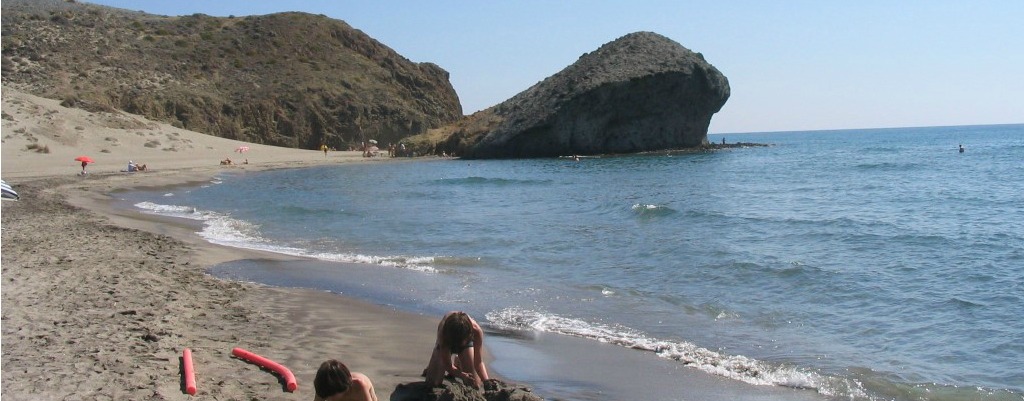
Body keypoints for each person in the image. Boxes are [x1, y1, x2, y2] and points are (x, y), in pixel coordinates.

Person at [423, 311, 490, 389]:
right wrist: (462, 376)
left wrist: (486, 381)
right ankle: (433, 366)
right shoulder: (443, 333)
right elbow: (447, 365)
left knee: (475, 385)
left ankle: (459, 362)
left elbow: (478, 362)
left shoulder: (476, 331)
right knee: (433, 383)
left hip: (465, 344)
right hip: (447, 342)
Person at [313, 359, 377, 401]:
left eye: (332, 396)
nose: (330, 399)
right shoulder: (323, 387)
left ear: (344, 390)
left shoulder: (359, 387)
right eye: (326, 397)